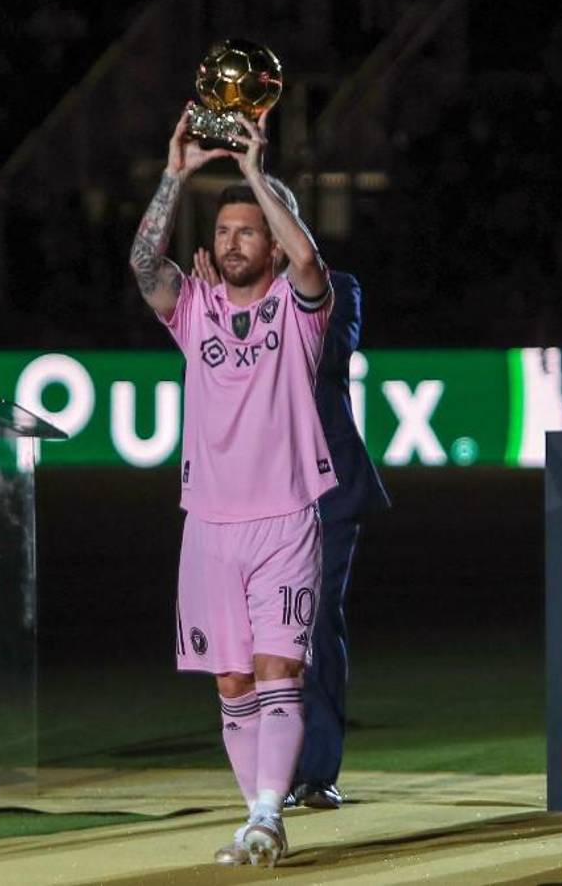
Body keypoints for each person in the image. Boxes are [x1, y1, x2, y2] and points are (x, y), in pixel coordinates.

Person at [128, 104, 336, 868]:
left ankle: (268, 814)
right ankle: (257, 819)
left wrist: (254, 171)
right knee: (232, 681)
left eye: (248, 232)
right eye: (223, 232)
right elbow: (144, 267)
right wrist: (174, 176)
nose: (233, 242)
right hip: (208, 526)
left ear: (270, 245)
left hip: (286, 518)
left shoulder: (299, 310)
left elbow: (309, 260)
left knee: (282, 672)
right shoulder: (195, 308)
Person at [194, 250, 390, 810]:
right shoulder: (225, 299)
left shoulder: (338, 287)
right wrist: (216, 310)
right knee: (249, 636)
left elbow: (323, 358)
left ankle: (316, 772)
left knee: (314, 622)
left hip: (323, 491)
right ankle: (268, 775)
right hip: (246, 493)